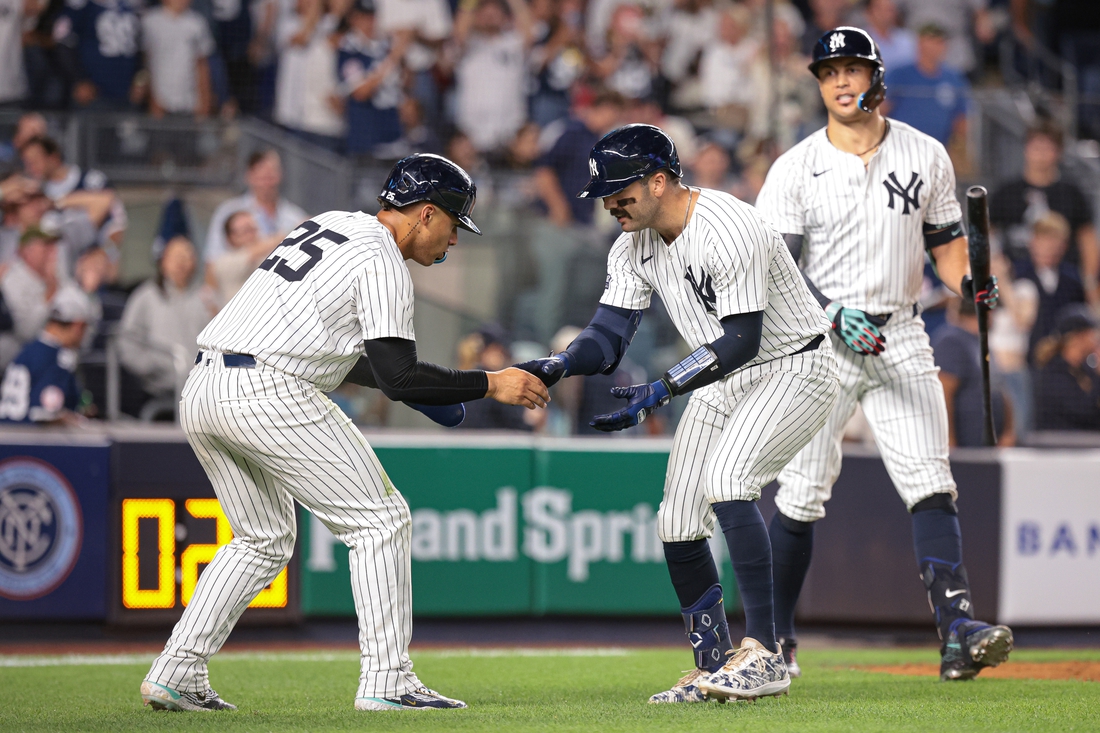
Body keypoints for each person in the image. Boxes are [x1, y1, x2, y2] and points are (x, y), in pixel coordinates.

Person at [139, 153, 549, 712]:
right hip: (270, 393)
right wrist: (488, 383)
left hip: (206, 386)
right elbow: (399, 375)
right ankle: (388, 680)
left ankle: (177, 671)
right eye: (454, 225)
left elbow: (357, 361)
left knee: (262, 539)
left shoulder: (331, 223)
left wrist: (442, 389)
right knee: (381, 520)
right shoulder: (383, 257)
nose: (454, 240)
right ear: (426, 215)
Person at [518, 124, 841, 703]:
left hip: (795, 365)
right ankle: (713, 664)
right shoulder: (632, 243)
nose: (612, 203)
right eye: (606, 194)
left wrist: (665, 387)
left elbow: (743, 337)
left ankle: (765, 652)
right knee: (676, 521)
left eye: (622, 190)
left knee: (728, 480)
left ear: (661, 180)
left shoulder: (730, 225)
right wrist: (561, 363)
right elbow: (609, 336)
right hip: (725, 380)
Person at [754, 27, 1012, 682]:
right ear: (817, 83)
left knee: (930, 477)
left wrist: (969, 282)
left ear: (877, 77)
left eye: (852, 68)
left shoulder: (925, 154)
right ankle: (776, 639)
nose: (840, 81)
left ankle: (957, 629)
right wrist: (832, 313)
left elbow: (948, 243)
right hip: (819, 336)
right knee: (802, 491)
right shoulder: (794, 166)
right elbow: (771, 269)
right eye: (829, 71)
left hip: (898, 330)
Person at [989, 123, 1099, 300]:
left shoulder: (1071, 194)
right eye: (1036, 148)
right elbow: (987, 235)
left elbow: (1087, 240)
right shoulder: (1006, 192)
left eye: (1048, 148)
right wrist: (997, 272)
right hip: (1015, 279)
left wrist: (1089, 281)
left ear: (1058, 152)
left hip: (1065, 282)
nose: (1041, 155)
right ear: (1026, 148)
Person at [118, 236, 214, 400]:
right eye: (176, 257)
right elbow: (127, 341)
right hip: (160, 385)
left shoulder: (207, 297)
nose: (181, 263)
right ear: (163, 262)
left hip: (204, 385)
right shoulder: (145, 296)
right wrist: (153, 366)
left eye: (186, 257)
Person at [0, 226, 90, 370]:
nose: (52, 251)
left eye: (53, 245)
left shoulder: (59, 276)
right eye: (45, 245)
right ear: (25, 251)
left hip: (60, 358)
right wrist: (50, 292)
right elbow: (26, 331)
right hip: (21, 362)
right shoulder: (12, 281)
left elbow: (85, 313)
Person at [0, 288, 92, 425]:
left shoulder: (29, 350)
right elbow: (46, 414)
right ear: (78, 326)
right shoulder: (56, 358)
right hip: (30, 440)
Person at [932, 296, 1013, 447]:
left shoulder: (982, 343)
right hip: (965, 445)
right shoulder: (952, 340)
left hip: (989, 445)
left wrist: (1008, 432)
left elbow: (1001, 389)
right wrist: (948, 440)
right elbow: (943, 393)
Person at [203, 150, 308, 263]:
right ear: (248, 176)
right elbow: (212, 261)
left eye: (271, 175)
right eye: (261, 176)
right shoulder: (229, 211)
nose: (266, 182)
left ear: (280, 175)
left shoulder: (295, 216)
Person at [883, 24, 970, 149]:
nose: (939, 46)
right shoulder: (900, 74)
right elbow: (881, 110)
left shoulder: (953, 79)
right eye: (933, 41)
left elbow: (961, 120)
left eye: (941, 42)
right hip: (899, 149)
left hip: (937, 152)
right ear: (920, 43)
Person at [337, 0, 406, 157]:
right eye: (363, 17)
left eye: (372, 17)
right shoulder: (349, 49)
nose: (369, 22)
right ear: (353, 19)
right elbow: (361, 92)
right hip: (366, 140)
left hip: (392, 134)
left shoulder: (384, 45)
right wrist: (392, 59)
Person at [1015, 212, 1086, 359]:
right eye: (1043, 241)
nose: (1048, 248)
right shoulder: (1017, 274)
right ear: (1032, 242)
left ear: (1064, 246)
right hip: (1022, 355)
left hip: (1061, 359)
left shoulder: (1073, 280)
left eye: (1054, 242)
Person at [52, 0, 141, 109]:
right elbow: (62, 43)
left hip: (127, 92)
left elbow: (141, 47)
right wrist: (79, 80)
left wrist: (140, 79)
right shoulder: (80, 5)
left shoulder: (132, 5)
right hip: (92, 93)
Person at [139, 0, 215, 118]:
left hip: (189, 105)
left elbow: (202, 66)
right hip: (159, 104)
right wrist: (151, 99)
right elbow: (145, 63)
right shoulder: (150, 22)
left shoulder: (197, 23)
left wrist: (204, 103)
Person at [1032, 305, 1100, 431]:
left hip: (1086, 443)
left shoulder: (1084, 369)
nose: (1096, 339)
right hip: (1058, 444)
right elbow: (1084, 412)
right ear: (1077, 338)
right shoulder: (1052, 373)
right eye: (1091, 334)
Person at [206, 211, 282, 305]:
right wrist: (284, 237)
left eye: (253, 229)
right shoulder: (223, 262)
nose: (252, 234)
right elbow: (250, 254)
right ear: (232, 237)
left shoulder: (264, 252)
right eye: (246, 230)